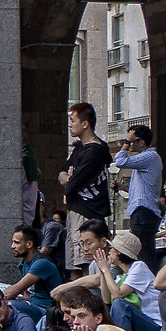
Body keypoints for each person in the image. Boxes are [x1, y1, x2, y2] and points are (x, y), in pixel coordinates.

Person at [58, 101, 112, 270]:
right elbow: (61, 174)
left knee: (86, 265)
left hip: (87, 212)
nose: (70, 125)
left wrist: (70, 178)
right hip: (75, 211)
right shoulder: (79, 148)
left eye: (73, 120)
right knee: (74, 266)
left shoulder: (95, 150)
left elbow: (72, 183)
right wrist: (69, 177)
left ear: (85, 123)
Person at [108, 123, 164, 250]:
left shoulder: (149, 156)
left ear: (142, 142)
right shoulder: (146, 160)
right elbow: (142, 189)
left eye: (133, 141)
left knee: (143, 251)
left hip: (144, 211)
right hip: (142, 211)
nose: (130, 145)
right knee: (141, 250)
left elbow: (120, 161)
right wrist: (122, 187)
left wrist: (126, 141)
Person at [6, 223, 62, 321]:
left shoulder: (41, 263)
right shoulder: (23, 263)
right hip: (32, 306)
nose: (12, 246)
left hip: (47, 311)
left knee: (6, 305)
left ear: (29, 244)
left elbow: (15, 290)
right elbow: (27, 296)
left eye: (16, 242)